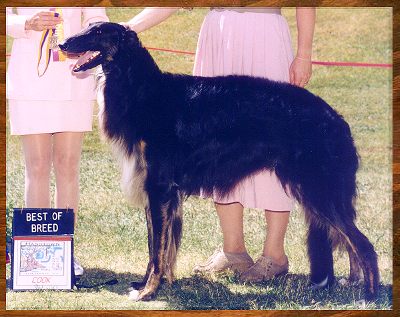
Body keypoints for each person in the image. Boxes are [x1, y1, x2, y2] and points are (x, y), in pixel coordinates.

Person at [124, 7, 315, 281]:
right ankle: (233, 250)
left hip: (267, 34)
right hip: (219, 35)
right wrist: (129, 26)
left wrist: (304, 54)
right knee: (216, 147)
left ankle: (274, 255)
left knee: (273, 142)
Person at [6, 7, 109, 276]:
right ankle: (36, 255)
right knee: (37, 166)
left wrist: (92, 41)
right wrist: (25, 21)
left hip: (74, 77)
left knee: (67, 166)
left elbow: (97, 16)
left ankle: (64, 252)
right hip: (30, 80)